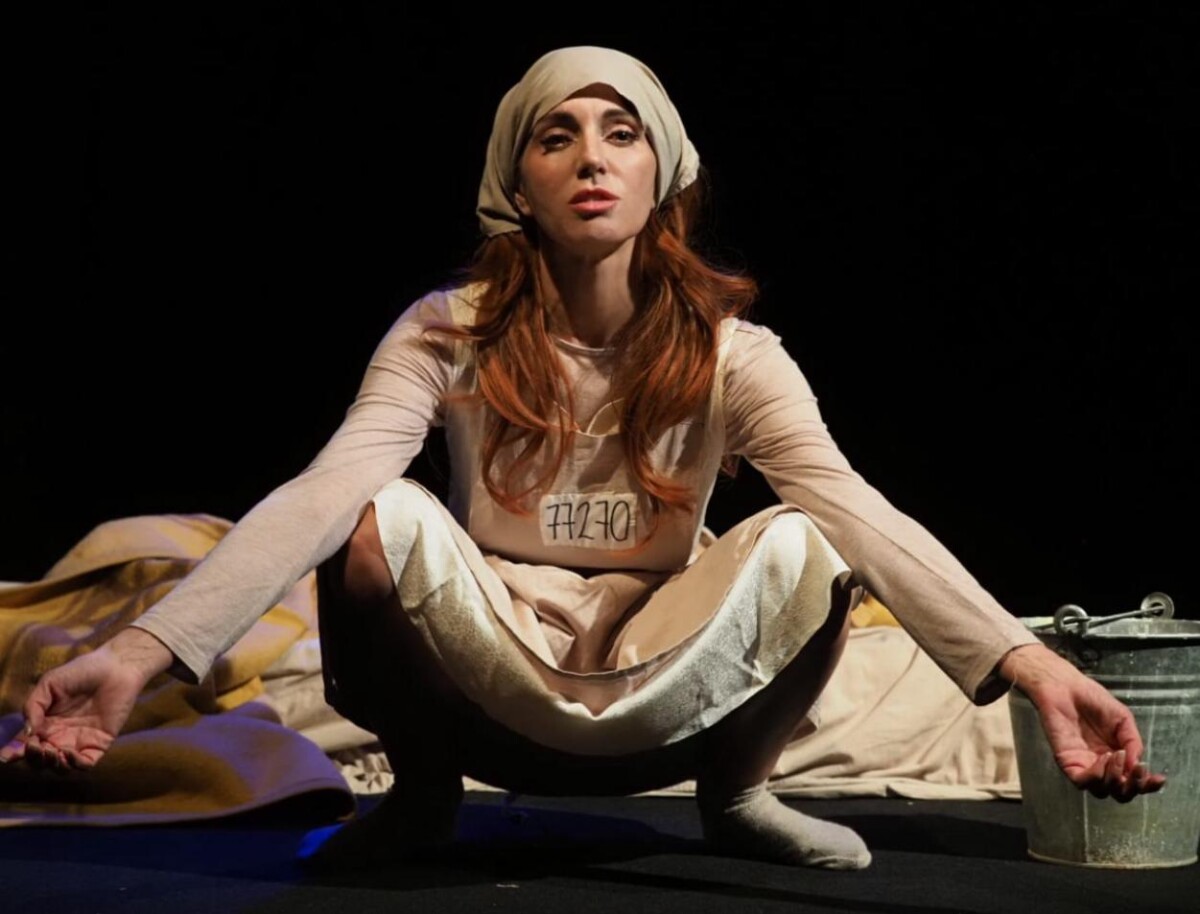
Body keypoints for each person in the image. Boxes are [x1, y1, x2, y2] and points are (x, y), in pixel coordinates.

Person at [0, 46, 1165, 871]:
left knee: (817, 533)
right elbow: (330, 483)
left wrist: (1033, 666)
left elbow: (852, 501)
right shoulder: (445, 330)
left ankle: (738, 793)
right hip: (490, 651)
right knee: (372, 513)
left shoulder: (733, 352)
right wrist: (142, 650)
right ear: (520, 184)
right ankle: (423, 794)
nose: (592, 157)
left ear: (664, 174)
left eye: (622, 132)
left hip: (668, 656)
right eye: (557, 135)